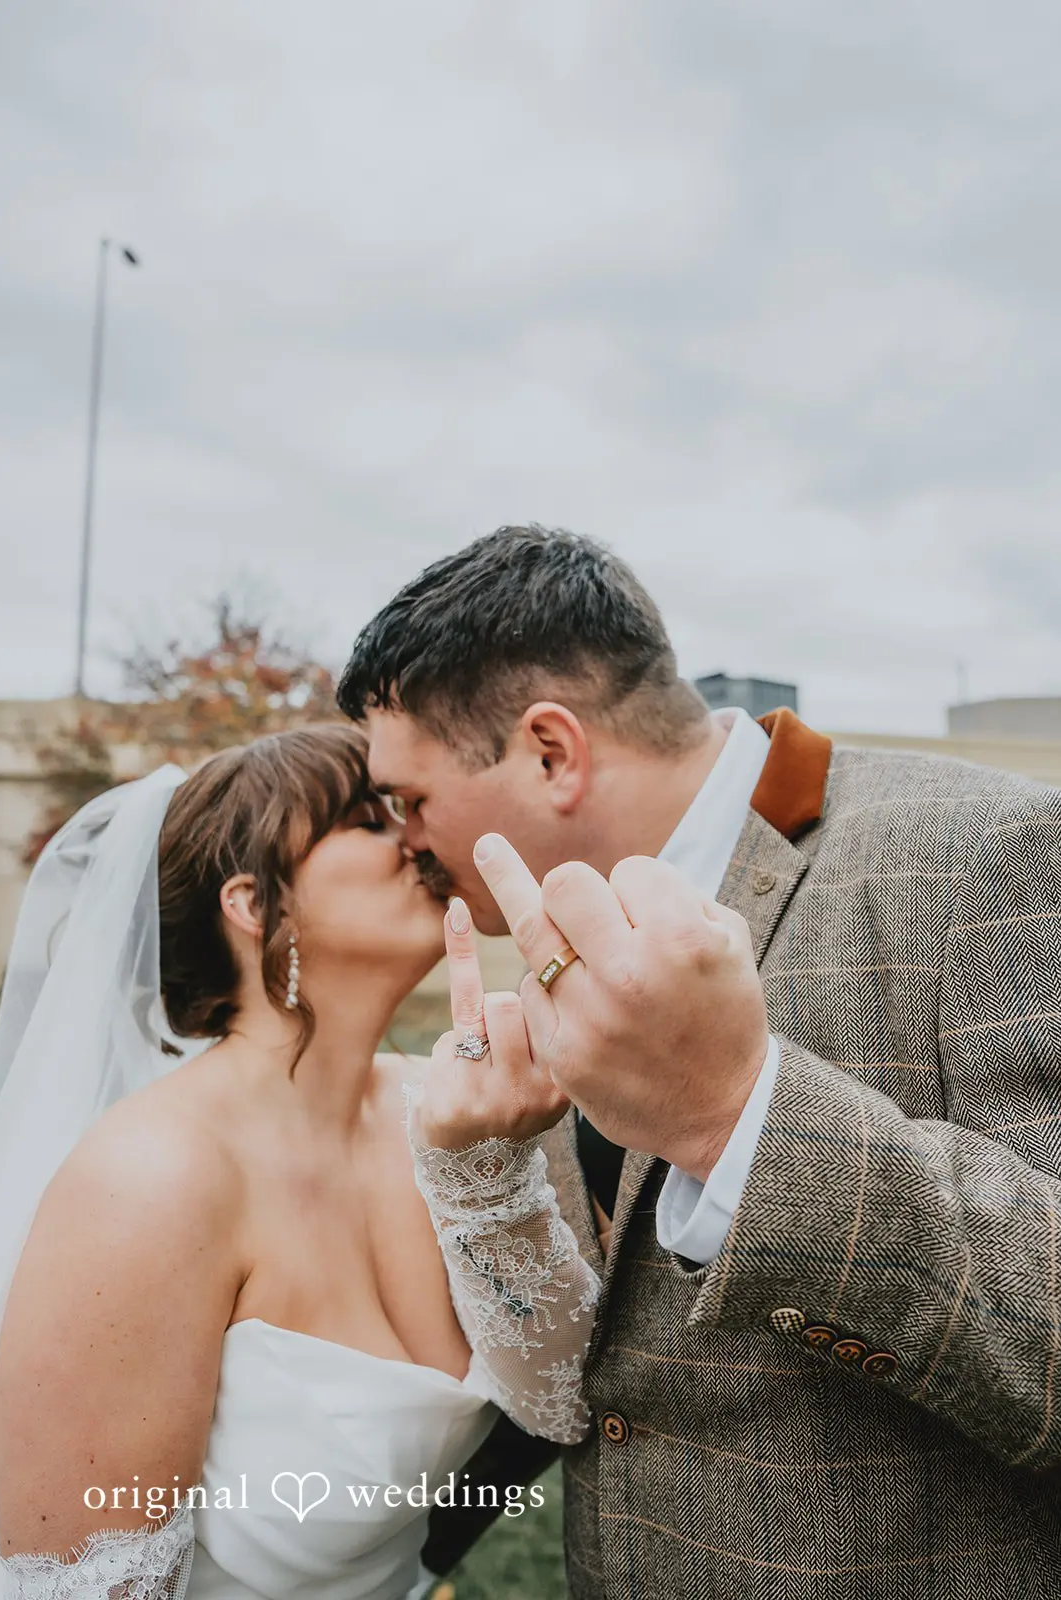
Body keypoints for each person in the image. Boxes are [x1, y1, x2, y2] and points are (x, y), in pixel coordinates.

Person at [339, 524, 1061, 1599]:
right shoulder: (549, 953)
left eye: (412, 797)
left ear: (549, 750)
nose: (403, 837)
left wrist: (737, 1116)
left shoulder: (984, 852)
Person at [0, 723, 599, 1600]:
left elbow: (561, 1403)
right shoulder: (151, 1177)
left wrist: (491, 1181)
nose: (415, 837)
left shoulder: (443, 1110)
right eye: (365, 819)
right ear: (252, 905)